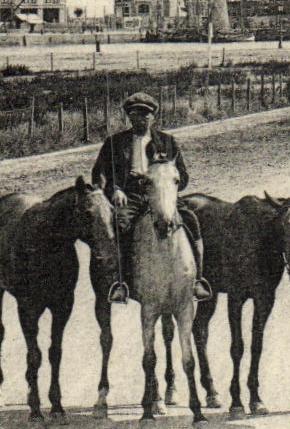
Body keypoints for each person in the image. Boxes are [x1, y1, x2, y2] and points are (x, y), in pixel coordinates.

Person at [91, 92, 212, 303]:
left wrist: (166, 181)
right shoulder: (115, 143)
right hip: (130, 196)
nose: (142, 119)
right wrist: (114, 190)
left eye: (146, 114)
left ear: (153, 117)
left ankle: (197, 280)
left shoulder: (167, 141)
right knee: (121, 225)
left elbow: (182, 177)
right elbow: (100, 173)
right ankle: (122, 282)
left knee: (192, 221)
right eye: (136, 115)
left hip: (162, 195)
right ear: (129, 118)